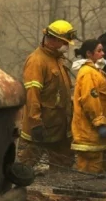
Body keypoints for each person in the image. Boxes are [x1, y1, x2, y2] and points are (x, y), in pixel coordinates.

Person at [18, 20, 76, 171]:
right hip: (42, 126)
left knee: (63, 165)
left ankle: (59, 191)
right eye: (64, 42)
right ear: (54, 40)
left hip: (60, 126)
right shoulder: (37, 61)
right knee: (26, 164)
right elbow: (32, 95)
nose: (67, 46)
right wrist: (36, 123)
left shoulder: (57, 60)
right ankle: (14, 187)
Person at [69, 40, 106, 173]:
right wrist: (99, 122)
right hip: (90, 132)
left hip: (94, 134)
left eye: (102, 50)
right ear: (89, 54)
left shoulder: (96, 72)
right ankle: (84, 192)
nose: (103, 53)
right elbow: (90, 100)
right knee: (90, 169)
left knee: (98, 167)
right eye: (99, 51)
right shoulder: (88, 73)